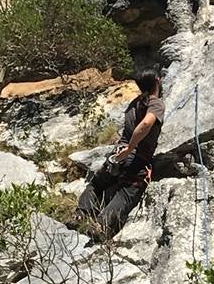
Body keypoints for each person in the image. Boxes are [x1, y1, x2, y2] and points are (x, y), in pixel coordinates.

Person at [67, 70, 165, 241]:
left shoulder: (134, 103)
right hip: (136, 158)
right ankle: (101, 225)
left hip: (116, 156)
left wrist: (124, 149)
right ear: (158, 80)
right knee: (127, 191)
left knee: (97, 184)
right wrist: (131, 148)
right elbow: (147, 123)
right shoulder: (155, 103)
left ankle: (79, 215)